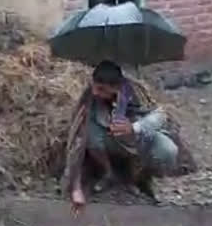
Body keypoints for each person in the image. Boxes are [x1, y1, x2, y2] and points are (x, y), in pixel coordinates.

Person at [62, 60, 179, 215]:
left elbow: (160, 116)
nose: (96, 92)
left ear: (115, 87)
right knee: (91, 135)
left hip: (139, 140)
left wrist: (133, 128)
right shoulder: (91, 96)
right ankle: (109, 174)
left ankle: (141, 178)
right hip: (108, 141)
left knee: (168, 150)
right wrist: (75, 188)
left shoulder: (135, 91)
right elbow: (79, 139)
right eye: (95, 87)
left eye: (102, 89)